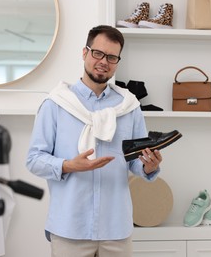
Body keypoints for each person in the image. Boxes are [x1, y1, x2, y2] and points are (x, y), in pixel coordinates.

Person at [26, 25, 163, 257]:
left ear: (117, 61)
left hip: (116, 229)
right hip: (70, 227)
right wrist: (69, 165)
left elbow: (133, 161)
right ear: (85, 53)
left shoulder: (129, 106)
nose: (103, 62)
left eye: (111, 57)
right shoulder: (56, 104)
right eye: (98, 53)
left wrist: (149, 166)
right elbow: (34, 160)